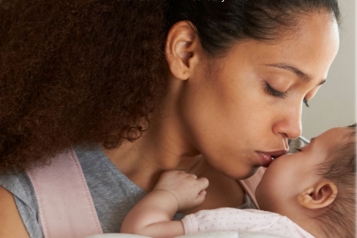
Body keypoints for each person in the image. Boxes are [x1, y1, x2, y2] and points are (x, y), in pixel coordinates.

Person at [0, 1, 341, 237]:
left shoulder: (306, 189)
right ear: (186, 52)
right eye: (276, 87)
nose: (294, 128)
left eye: (307, 101)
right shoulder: (25, 206)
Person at [121, 125, 356, 238]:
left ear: (317, 194)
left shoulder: (254, 226)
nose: (288, 147)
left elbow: (140, 233)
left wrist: (169, 195)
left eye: (301, 151)